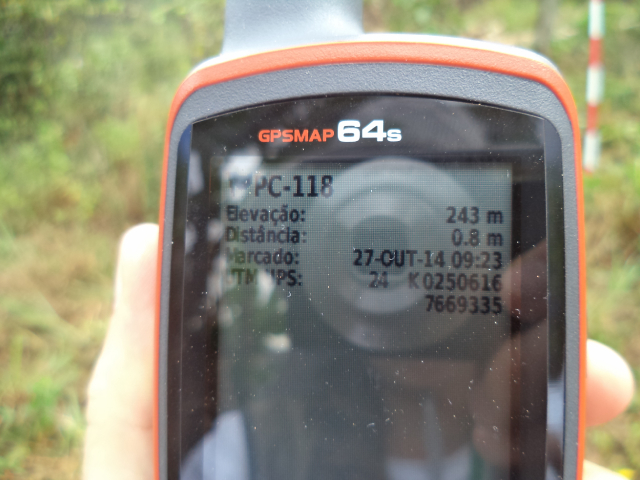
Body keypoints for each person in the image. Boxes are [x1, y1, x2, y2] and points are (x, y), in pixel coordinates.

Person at [82, 224, 636, 480]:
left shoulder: (536, 429)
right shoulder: (243, 451)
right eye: (372, 262)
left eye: (438, 257)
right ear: (321, 299)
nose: (407, 298)